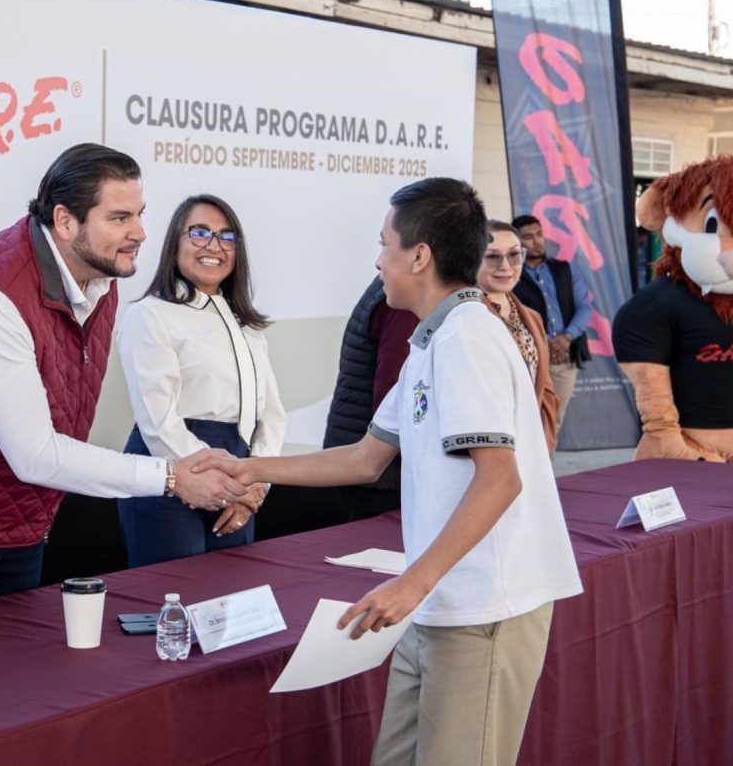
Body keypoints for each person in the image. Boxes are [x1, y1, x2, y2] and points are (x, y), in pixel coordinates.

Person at [195, 178, 582, 765]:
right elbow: (364, 457)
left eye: (385, 245)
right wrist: (248, 467)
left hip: (483, 606)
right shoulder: (432, 342)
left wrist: (412, 582)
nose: (378, 260)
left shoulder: (468, 341)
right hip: (435, 602)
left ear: (419, 255)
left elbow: (500, 478)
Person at [0, 144, 246, 619]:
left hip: (23, 515)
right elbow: (35, 454)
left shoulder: (103, 273)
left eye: (140, 215)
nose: (140, 234)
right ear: (65, 221)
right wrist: (171, 477)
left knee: (15, 676)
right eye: (120, 218)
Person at [116, 194, 285, 567]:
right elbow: (158, 422)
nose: (214, 246)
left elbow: (271, 416)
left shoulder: (248, 327)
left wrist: (256, 482)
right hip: (169, 474)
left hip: (238, 478)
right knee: (173, 607)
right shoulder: (151, 315)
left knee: (230, 602)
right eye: (200, 233)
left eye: (227, 237)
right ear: (175, 242)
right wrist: (219, 479)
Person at [323, 276, 418, 520]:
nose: (378, 261)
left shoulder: (403, 294)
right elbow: (396, 396)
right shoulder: (404, 303)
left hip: (375, 467)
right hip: (383, 474)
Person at [479, 220, 559, 454]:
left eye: (514, 255)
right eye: (492, 256)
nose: (505, 266)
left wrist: (544, 440)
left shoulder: (532, 318)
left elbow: (545, 389)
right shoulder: (462, 315)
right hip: (484, 449)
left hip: (530, 446)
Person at [511, 214, 593, 433]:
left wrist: (566, 337)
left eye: (539, 234)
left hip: (563, 357)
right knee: (528, 422)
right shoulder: (511, 276)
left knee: (554, 421)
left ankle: (546, 467)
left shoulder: (565, 269)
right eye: (528, 237)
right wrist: (546, 343)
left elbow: (584, 307)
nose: (536, 241)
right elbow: (512, 318)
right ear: (517, 243)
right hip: (530, 359)